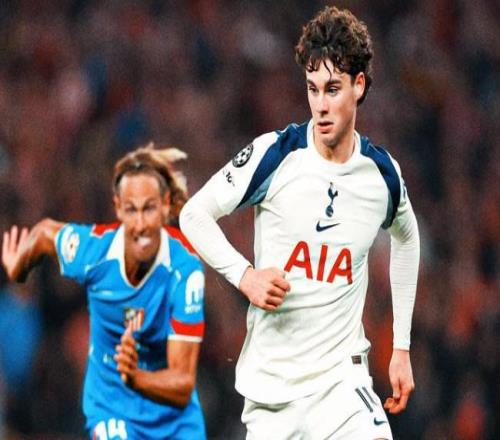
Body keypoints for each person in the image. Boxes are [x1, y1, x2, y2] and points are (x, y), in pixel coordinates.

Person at [180, 5, 419, 440]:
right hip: (273, 398)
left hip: (342, 387)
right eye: (313, 89)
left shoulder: (381, 175)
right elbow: (193, 214)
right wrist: (245, 276)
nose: (321, 105)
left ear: (359, 85)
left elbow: (407, 238)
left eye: (333, 89)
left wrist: (400, 347)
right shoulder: (275, 156)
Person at [2, 144, 207, 439]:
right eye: (131, 209)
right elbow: (45, 232)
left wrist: (136, 377)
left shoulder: (184, 273)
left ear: (164, 207)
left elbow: (182, 382)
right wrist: (19, 266)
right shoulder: (96, 248)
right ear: (118, 209)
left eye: (149, 208)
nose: (140, 223)